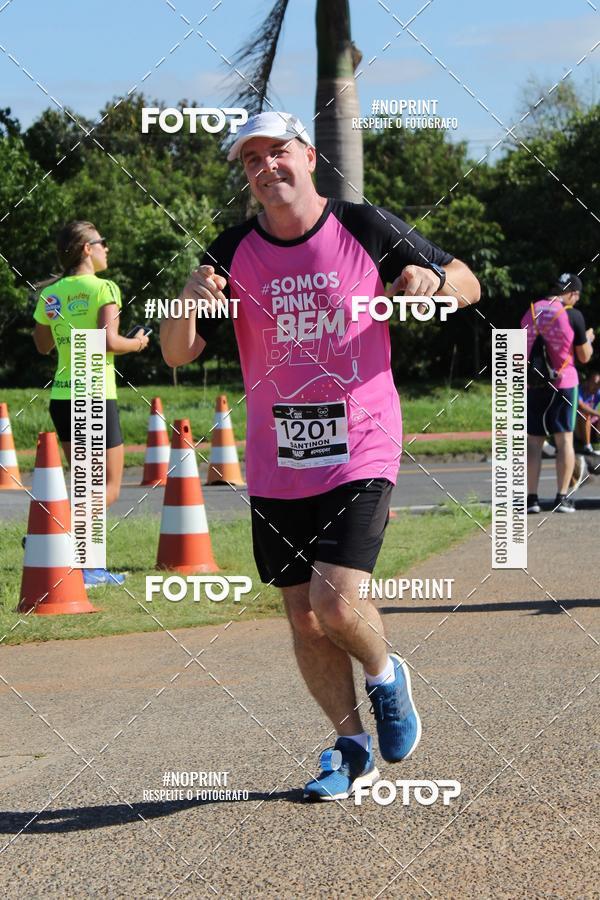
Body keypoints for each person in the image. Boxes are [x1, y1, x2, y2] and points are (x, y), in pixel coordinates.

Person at [161, 112, 480, 801]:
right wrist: (185, 303)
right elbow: (177, 353)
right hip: (276, 460)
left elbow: (468, 282)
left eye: (276, 153)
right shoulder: (231, 250)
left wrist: (434, 285)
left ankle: (386, 676)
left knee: (335, 603)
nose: (265, 168)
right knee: (303, 618)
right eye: (251, 161)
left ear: (307, 156)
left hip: (360, 445)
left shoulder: (363, 226)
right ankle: (352, 748)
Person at [33, 220, 150, 585]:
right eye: (103, 242)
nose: (107, 249)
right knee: (108, 486)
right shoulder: (104, 288)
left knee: (85, 485)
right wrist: (138, 343)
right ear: (87, 248)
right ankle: (60, 541)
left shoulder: (51, 293)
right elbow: (108, 342)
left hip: (62, 396)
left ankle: (78, 561)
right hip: (95, 394)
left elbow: (42, 345)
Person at [521, 273, 595, 514]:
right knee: (564, 440)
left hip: (534, 384)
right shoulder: (572, 315)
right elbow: (584, 356)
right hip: (564, 384)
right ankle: (561, 498)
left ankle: (531, 499)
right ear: (572, 293)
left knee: (534, 441)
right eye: (577, 296)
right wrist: (589, 339)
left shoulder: (531, 311)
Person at [575, 371, 600, 456]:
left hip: (592, 425)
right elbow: (581, 406)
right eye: (595, 383)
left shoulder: (597, 392)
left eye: (599, 384)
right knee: (585, 415)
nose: (597, 386)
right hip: (577, 425)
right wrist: (598, 414)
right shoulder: (578, 390)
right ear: (588, 382)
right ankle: (587, 446)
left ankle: (597, 441)